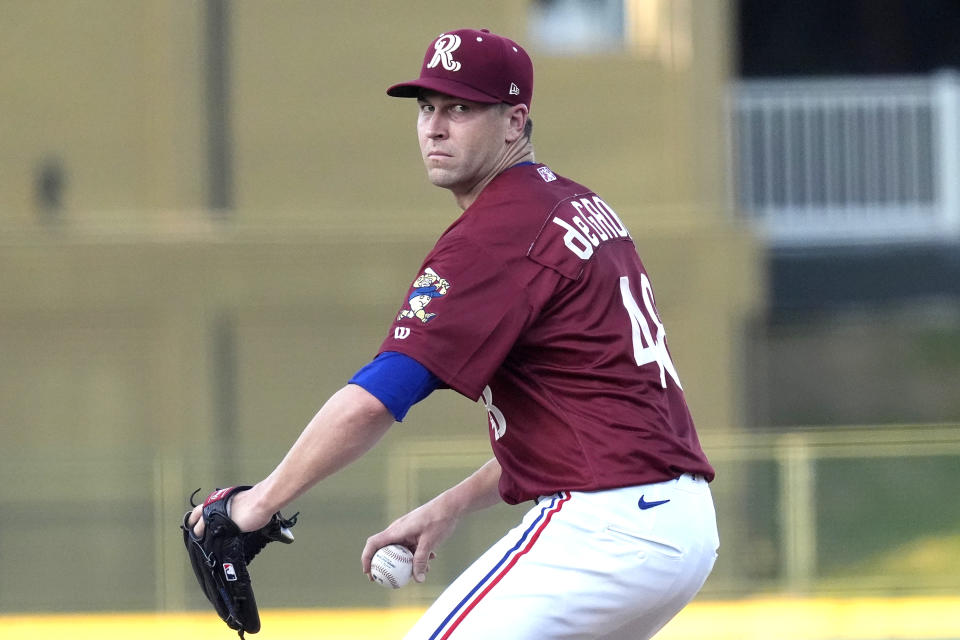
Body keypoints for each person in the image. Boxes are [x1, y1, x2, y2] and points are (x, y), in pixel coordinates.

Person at [188, 27, 719, 640]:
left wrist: (255, 508)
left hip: (608, 528)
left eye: (461, 108)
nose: (435, 127)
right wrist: (447, 507)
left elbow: (378, 396)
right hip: (673, 525)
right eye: (427, 107)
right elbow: (584, 431)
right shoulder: (574, 206)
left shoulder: (497, 234)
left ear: (515, 121)